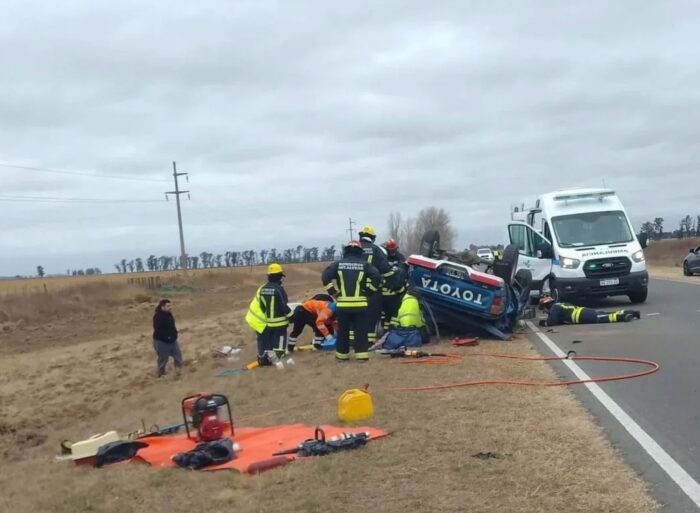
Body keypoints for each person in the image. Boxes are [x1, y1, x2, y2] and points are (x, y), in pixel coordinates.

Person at [322, 240, 381, 362]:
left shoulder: (338, 264)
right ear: (360, 251)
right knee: (361, 330)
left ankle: (342, 356)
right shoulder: (365, 264)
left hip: (343, 304)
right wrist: (368, 292)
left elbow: (325, 276)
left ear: (346, 250)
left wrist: (333, 292)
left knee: (343, 331)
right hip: (360, 304)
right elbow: (377, 276)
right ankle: (361, 356)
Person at [245, 263, 292, 367]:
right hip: (259, 318)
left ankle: (264, 357)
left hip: (256, 316)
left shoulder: (263, 288)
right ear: (279, 276)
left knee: (265, 338)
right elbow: (282, 305)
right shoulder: (278, 289)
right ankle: (264, 359)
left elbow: (262, 304)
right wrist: (291, 316)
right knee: (264, 337)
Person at [357, 226, 395, 347]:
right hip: (372, 291)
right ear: (372, 238)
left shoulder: (353, 249)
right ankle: (368, 342)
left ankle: (354, 341)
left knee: (356, 316)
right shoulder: (376, 250)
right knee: (372, 316)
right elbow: (386, 270)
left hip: (354, 289)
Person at [538, 296, 641, 327]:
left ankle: (624, 316)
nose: (545, 312)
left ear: (546, 305)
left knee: (607, 318)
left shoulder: (555, 308)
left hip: (583, 316)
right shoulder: (559, 305)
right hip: (584, 312)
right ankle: (631, 312)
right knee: (605, 314)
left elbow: (552, 322)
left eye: (544, 309)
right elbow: (560, 320)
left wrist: (544, 323)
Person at [380, 238, 408, 331]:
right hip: (384, 292)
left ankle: (392, 331)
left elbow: (404, 271)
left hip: (396, 292)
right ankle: (386, 331)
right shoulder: (383, 258)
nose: (392, 252)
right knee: (385, 315)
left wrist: (399, 285)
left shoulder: (400, 257)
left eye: (394, 250)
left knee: (395, 313)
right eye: (390, 250)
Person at [152, 299, 182, 378]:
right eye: (168, 306)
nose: (170, 307)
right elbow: (158, 330)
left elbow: (172, 326)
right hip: (161, 342)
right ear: (162, 307)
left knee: (178, 356)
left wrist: (175, 334)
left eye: (171, 305)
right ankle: (161, 375)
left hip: (173, 340)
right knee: (163, 359)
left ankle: (178, 372)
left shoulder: (169, 314)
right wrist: (167, 337)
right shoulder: (157, 317)